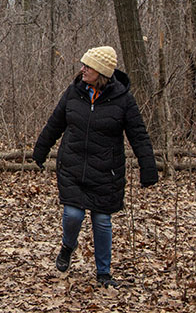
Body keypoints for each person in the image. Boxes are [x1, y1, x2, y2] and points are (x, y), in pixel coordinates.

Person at [32, 46, 158, 288]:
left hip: (106, 172)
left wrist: (148, 169)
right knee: (73, 214)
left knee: (101, 221)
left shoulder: (123, 100)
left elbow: (139, 136)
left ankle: (103, 273)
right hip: (72, 166)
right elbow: (55, 123)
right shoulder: (74, 92)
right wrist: (40, 151)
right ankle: (68, 246)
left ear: (100, 72)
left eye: (87, 67)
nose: (82, 70)